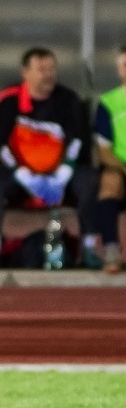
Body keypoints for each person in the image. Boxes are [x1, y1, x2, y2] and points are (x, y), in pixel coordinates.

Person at [0, 47, 90, 270]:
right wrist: (24, 175)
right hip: (20, 176)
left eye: (51, 69)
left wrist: (63, 174)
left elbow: (77, 141)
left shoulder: (68, 100)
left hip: (58, 177)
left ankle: (89, 248)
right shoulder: (10, 102)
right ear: (25, 72)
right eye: (41, 69)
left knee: (89, 180)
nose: (48, 75)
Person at [89, 44, 126, 273]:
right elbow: (104, 152)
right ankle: (111, 250)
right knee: (109, 182)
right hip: (120, 168)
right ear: (119, 70)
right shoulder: (108, 103)